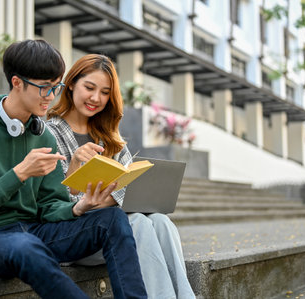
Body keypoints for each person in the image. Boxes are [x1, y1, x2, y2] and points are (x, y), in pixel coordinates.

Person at [0, 40, 147, 299]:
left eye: (56, 87)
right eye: (43, 88)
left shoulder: (43, 135)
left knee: (113, 220)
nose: (51, 97)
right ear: (17, 83)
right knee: (26, 246)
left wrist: (78, 207)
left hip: (33, 230)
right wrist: (18, 174)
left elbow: (50, 204)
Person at [46, 54, 196, 299]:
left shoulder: (108, 136)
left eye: (105, 92)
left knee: (160, 221)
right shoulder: (50, 133)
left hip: (116, 228)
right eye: (89, 87)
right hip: (78, 235)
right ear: (71, 83)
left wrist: (113, 197)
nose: (96, 98)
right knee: (137, 223)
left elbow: (130, 181)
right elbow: (58, 201)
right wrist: (112, 196)